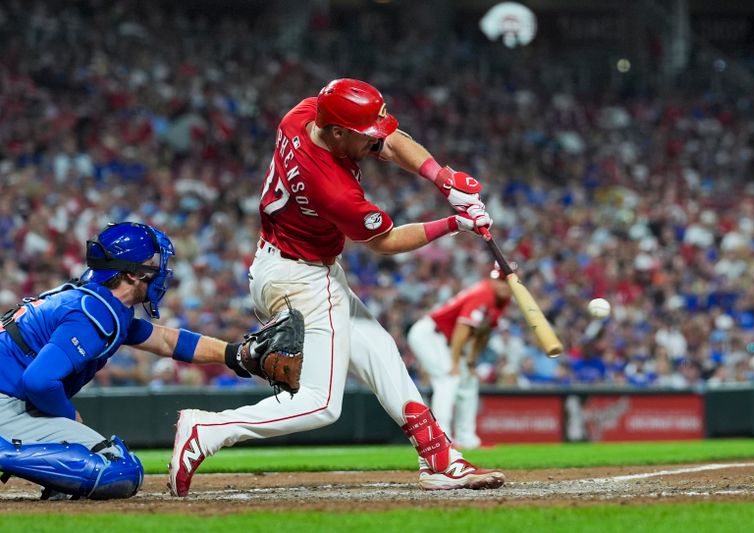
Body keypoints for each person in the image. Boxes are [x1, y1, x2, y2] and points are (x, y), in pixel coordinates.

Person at [169, 78, 504, 496]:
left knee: (381, 354)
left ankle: (438, 456)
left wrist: (444, 178)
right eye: (365, 135)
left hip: (287, 264)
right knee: (321, 404)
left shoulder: (305, 114)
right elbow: (385, 242)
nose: (374, 141)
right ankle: (208, 429)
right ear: (339, 132)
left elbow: (391, 141)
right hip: (302, 278)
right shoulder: (331, 187)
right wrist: (455, 223)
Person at [0, 222, 246, 500]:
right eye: (150, 263)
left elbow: (168, 341)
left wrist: (236, 354)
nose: (159, 271)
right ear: (131, 274)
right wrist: (69, 416)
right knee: (117, 468)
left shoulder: (96, 302)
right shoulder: (96, 311)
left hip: (10, 399)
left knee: (87, 464)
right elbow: (39, 382)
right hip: (5, 403)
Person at [408, 265, 512, 450]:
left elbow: (483, 332)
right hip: (430, 334)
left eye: (506, 281)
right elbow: (462, 329)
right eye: (499, 280)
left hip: (444, 340)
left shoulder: (500, 299)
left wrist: (471, 360)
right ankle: (443, 438)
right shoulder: (484, 293)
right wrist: (455, 362)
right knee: (448, 379)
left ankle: (467, 439)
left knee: (469, 381)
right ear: (491, 280)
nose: (503, 285)